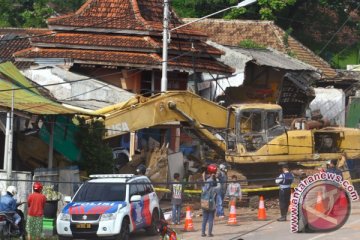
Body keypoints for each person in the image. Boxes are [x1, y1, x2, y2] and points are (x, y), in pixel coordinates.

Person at [201, 164, 220, 237]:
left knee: (205, 218)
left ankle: (203, 233)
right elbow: (218, 189)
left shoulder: (207, 181)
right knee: (211, 219)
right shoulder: (215, 183)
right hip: (212, 202)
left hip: (205, 202)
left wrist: (203, 179)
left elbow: (204, 189)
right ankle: (209, 233)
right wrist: (216, 179)